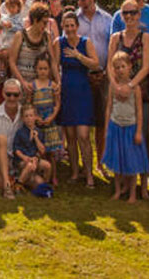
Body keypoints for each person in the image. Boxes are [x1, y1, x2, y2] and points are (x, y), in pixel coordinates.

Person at [108, 0, 149, 198]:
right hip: (118, 93)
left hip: (139, 92)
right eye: (125, 13)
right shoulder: (115, 38)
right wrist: (117, 86)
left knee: (140, 139)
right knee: (121, 140)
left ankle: (142, 185)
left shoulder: (145, 37)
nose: (129, 17)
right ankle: (125, 185)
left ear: (139, 14)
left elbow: (146, 66)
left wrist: (130, 85)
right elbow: (109, 64)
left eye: (133, 13)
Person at [56, 10, 99, 187]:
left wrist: (78, 56)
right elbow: (53, 63)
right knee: (71, 136)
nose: (70, 29)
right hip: (66, 91)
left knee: (83, 135)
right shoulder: (58, 43)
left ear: (77, 26)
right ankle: (74, 172)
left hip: (82, 91)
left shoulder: (85, 42)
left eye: (72, 25)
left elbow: (95, 63)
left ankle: (89, 173)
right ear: (62, 27)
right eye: (66, 26)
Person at [75, 0, 112, 176]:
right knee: (83, 122)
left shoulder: (107, 19)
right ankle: (84, 161)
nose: (81, 2)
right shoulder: (75, 20)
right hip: (82, 76)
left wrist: (107, 71)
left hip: (104, 74)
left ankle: (101, 162)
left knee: (101, 121)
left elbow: (112, 46)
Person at [102, 51, 149, 204]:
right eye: (117, 67)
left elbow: (139, 111)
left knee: (132, 161)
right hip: (116, 126)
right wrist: (106, 127)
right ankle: (117, 190)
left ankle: (132, 194)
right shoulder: (112, 87)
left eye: (123, 66)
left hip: (131, 127)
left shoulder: (135, 88)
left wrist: (138, 131)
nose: (120, 70)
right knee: (117, 161)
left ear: (129, 67)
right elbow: (109, 107)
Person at [30, 54, 62, 185]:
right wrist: (36, 117)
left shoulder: (52, 85)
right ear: (36, 70)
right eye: (40, 69)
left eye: (45, 69)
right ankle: (40, 174)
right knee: (39, 151)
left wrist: (52, 117)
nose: (42, 71)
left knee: (51, 152)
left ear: (49, 70)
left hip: (50, 121)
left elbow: (57, 103)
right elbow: (30, 103)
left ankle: (53, 175)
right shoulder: (33, 86)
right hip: (38, 121)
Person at [9, 3, 52, 96]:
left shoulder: (46, 36)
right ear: (36, 20)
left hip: (39, 86)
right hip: (21, 85)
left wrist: (57, 81)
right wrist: (22, 82)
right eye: (44, 22)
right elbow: (12, 62)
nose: (45, 25)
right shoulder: (20, 35)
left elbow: (53, 60)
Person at [12, 104, 52, 191]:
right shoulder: (20, 132)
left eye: (31, 115)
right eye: (26, 116)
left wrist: (36, 138)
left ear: (35, 117)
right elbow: (16, 150)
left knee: (47, 165)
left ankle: (44, 185)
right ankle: (18, 184)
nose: (29, 118)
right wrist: (25, 158)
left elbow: (42, 151)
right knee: (29, 166)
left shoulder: (39, 132)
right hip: (22, 161)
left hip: (35, 160)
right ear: (22, 118)